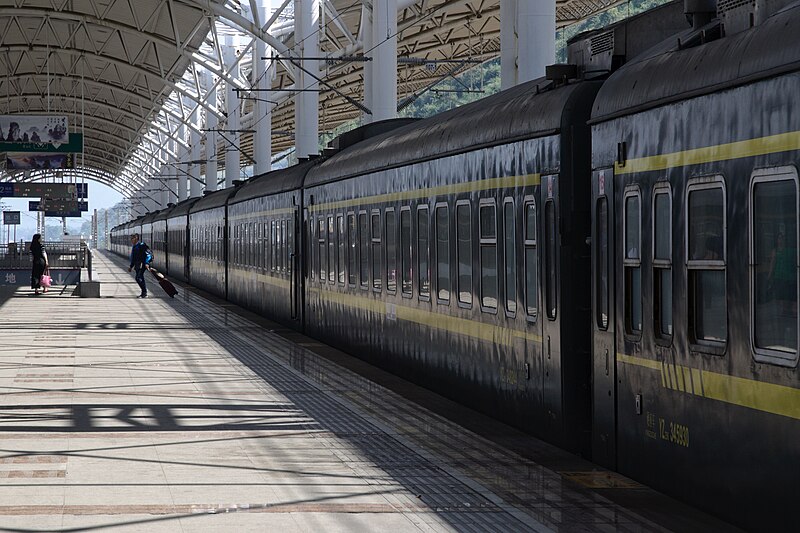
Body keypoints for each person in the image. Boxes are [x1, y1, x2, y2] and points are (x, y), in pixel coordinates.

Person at [128, 233, 152, 298]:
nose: (131, 240)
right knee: (140, 278)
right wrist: (131, 266)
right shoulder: (135, 246)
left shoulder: (141, 245)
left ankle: (144, 292)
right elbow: (134, 258)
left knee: (138, 278)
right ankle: (144, 293)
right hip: (137, 265)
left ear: (136, 238)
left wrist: (146, 263)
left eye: (132, 238)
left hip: (142, 265)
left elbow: (148, 254)